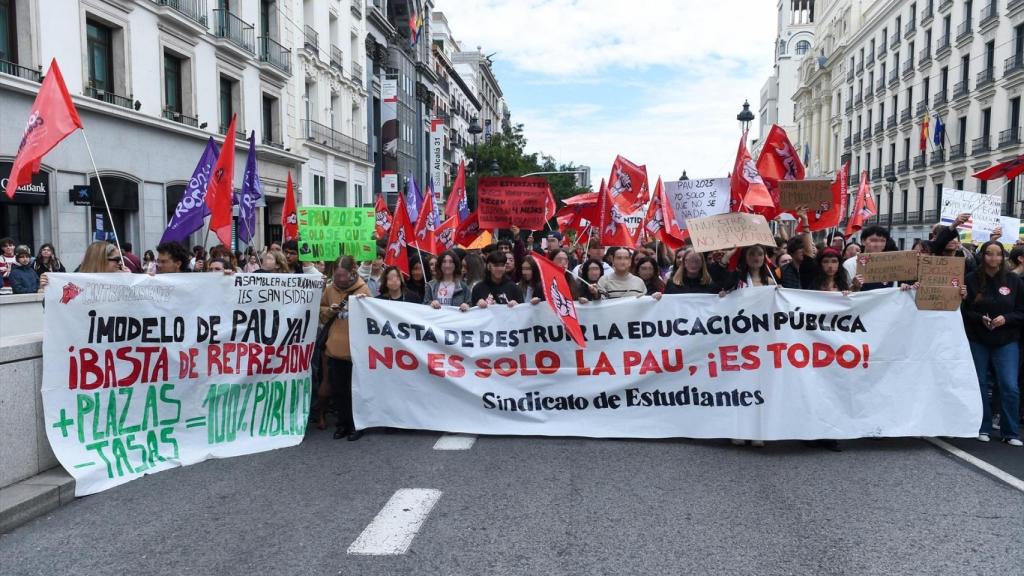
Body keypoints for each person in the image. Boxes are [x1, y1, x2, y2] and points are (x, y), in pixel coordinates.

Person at [962, 241, 1023, 446]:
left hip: (1006, 340)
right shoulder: (970, 279)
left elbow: (1021, 311)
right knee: (979, 384)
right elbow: (964, 310)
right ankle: (983, 427)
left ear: (1004, 257)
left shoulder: (1014, 281)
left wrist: (1006, 319)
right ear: (983, 256)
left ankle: (1010, 432)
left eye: (998, 254)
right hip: (978, 338)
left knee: (1009, 386)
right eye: (989, 254)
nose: (993, 258)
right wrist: (981, 319)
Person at [320, 256, 371, 441]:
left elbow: (372, 317)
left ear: (352, 273)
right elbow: (321, 313)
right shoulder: (329, 290)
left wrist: (366, 304)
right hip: (334, 349)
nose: (340, 279)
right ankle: (342, 424)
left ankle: (356, 425)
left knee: (354, 391)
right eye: (337, 275)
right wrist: (329, 311)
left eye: (343, 275)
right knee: (338, 390)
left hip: (355, 350)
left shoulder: (363, 289)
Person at [781, 209, 817, 289]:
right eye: (801, 248)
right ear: (792, 251)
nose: (805, 250)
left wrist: (805, 220)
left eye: (806, 247)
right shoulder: (781, 272)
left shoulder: (817, 269)